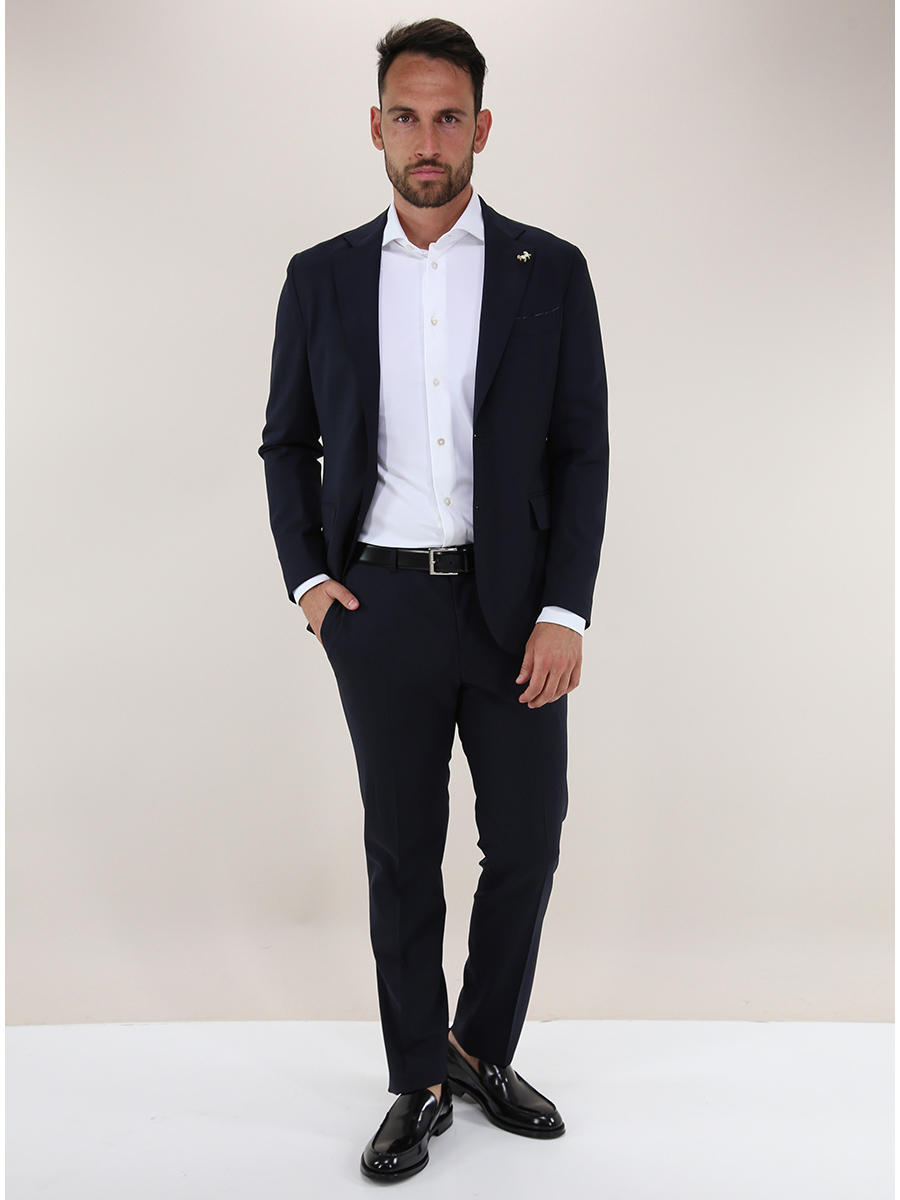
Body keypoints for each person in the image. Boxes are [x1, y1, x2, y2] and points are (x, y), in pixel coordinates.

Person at [260, 18, 608, 1182]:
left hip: (516, 616)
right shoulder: (319, 277)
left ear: (481, 128)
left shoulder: (550, 271)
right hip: (381, 612)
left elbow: (581, 452)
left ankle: (477, 1048)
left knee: (529, 841)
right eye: (405, 117)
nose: (427, 139)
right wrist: (312, 584)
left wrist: (566, 610)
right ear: (376, 127)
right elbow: (287, 442)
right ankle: (415, 1077)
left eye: (448, 117)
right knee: (404, 853)